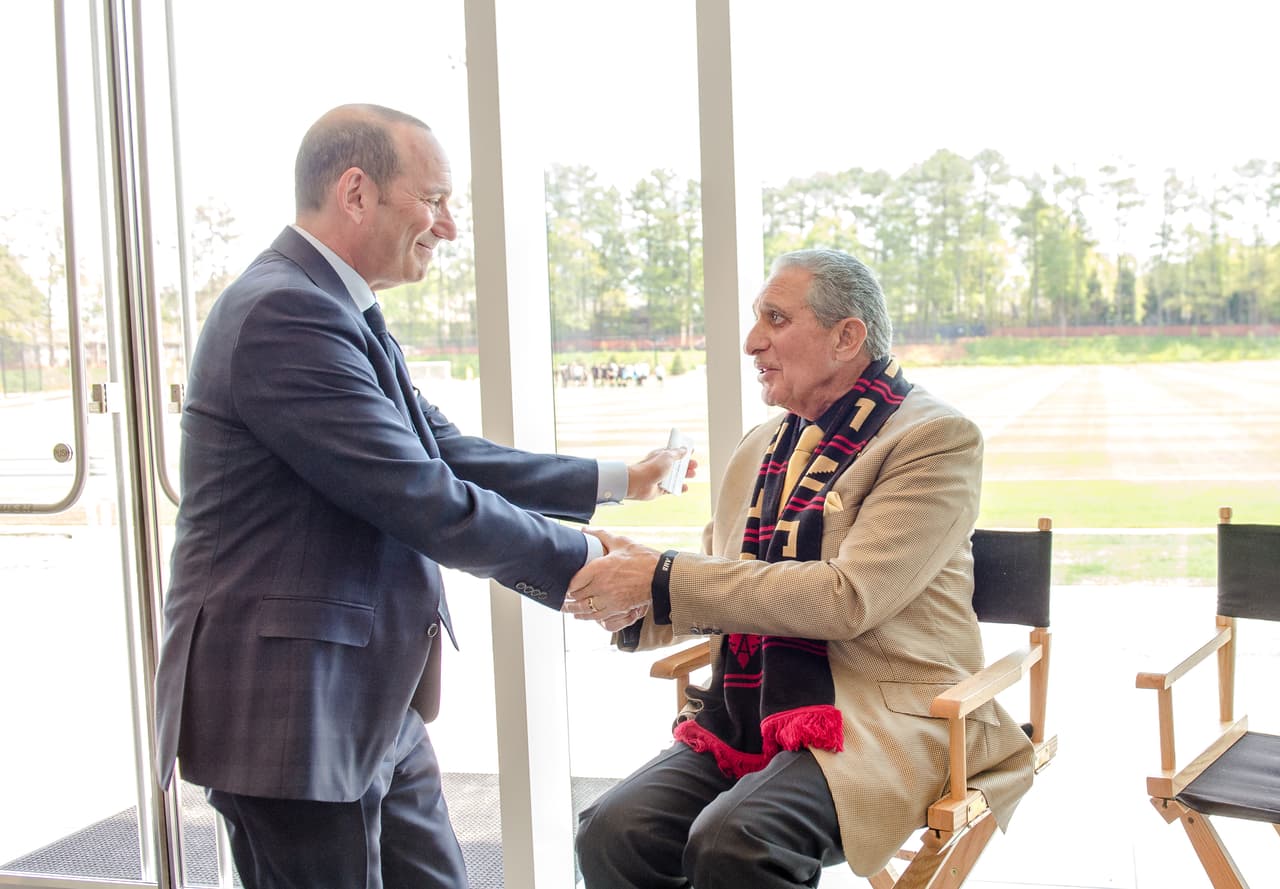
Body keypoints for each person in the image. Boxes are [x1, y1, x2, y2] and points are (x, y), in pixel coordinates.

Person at [153, 103, 686, 889]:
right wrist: (586, 559)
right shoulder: (285, 312)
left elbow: (447, 452)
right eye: (434, 199)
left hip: (366, 699)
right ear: (357, 192)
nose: (449, 226)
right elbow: (418, 494)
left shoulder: (336, 305)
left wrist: (618, 481)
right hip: (292, 709)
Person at [565, 248, 1036, 887]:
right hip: (753, 708)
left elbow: (850, 598)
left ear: (847, 337)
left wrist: (660, 576)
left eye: (776, 319)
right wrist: (629, 599)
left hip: (893, 714)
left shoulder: (935, 439)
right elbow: (726, 586)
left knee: (737, 841)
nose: (752, 342)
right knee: (613, 830)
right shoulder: (760, 445)